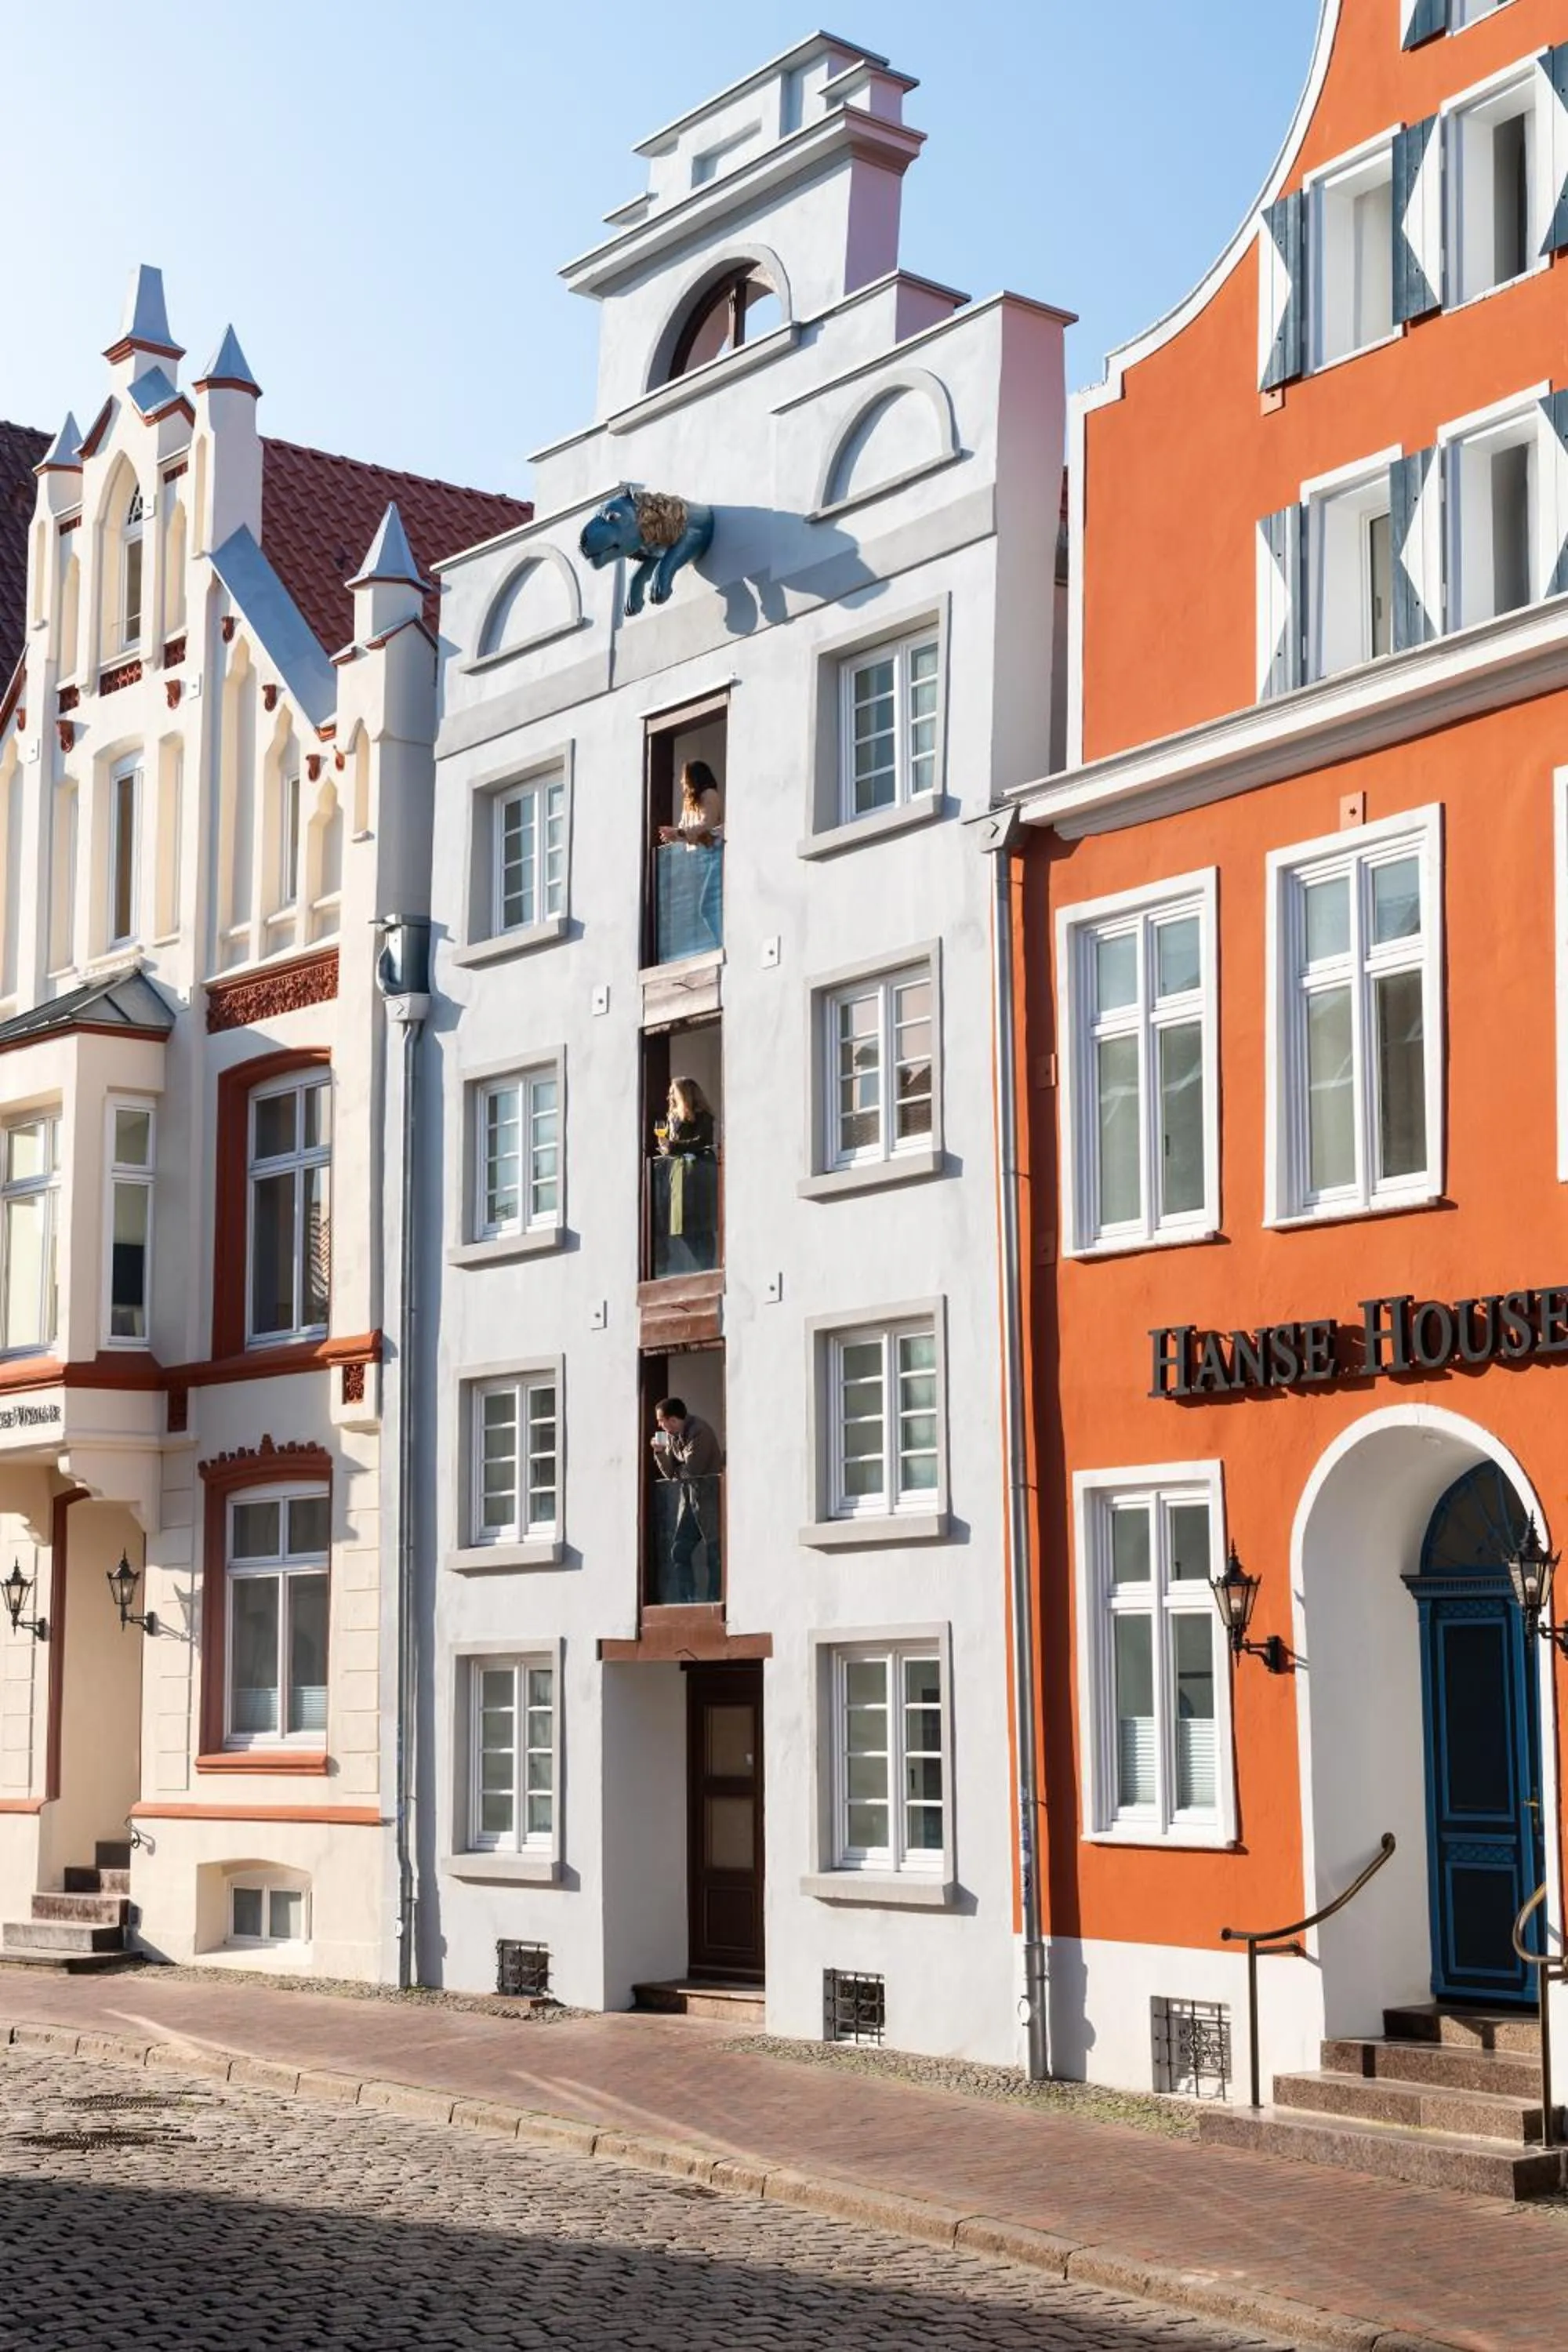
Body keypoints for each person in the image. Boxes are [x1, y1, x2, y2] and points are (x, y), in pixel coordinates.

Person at [651, 1396, 723, 1601]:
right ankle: (688, 1597)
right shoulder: (673, 1437)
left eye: (661, 1420)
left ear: (672, 1420)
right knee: (679, 1552)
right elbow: (670, 1475)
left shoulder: (699, 1431)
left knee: (714, 1553)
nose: (659, 1425)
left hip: (708, 1500)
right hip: (689, 1501)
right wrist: (660, 1453)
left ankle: (714, 1597)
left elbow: (692, 1471)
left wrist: (677, 1472)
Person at [658, 759, 722, 848]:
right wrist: (673, 834)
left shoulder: (710, 795)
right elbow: (683, 828)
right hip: (694, 856)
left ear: (694, 778)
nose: (682, 781)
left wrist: (678, 833)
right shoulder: (689, 802)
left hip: (709, 854)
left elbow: (707, 826)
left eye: (685, 778)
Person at [655, 1076, 717, 1158]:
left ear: (683, 1096)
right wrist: (665, 1147)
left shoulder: (703, 1116)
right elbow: (671, 1145)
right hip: (678, 1167)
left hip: (697, 1167)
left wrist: (672, 1146)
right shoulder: (674, 1117)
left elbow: (701, 1142)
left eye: (673, 1093)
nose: (669, 1097)